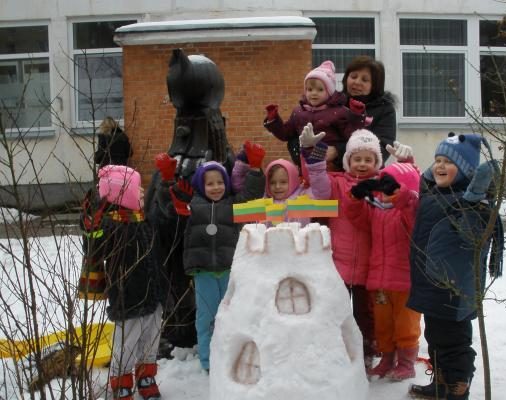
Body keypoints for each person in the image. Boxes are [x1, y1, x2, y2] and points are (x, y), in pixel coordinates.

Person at [407, 133, 504, 400]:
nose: (439, 166)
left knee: (454, 342)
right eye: (437, 160)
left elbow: (477, 228)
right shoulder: (437, 194)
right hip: (430, 284)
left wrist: (476, 197)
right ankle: (440, 382)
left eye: (448, 162)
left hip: (453, 290)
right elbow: (426, 183)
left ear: (466, 171)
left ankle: (458, 386)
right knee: (436, 337)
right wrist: (429, 169)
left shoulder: (473, 204)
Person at [169, 142, 266, 373]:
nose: (216, 187)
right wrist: (167, 182)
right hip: (203, 272)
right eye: (209, 183)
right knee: (206, 318)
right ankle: (208, 359)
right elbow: (173, 205)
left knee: (233, 316)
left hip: (230, 271)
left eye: (220, 182)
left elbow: (252, 195)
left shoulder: (232, 206)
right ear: (201, 186)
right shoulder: (193, 206)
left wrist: (255, 169)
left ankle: (231, 355)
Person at [300, 126, 382, 369]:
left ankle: (367, 351)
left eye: (368, 159)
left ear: (376, 162)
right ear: (348, 161)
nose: (362, 163)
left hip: (369, 264)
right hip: (340, 263)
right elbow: (320, 187)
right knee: (337, 310)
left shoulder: (381, 185)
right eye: (357, 158)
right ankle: (337, 349)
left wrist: (407, 162)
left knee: (365, 315)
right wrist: (310, 153)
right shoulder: (337, 183)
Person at [79, 165, 163, 400]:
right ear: (123, 195)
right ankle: (121, 383)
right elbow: (93, 247)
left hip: (154, 295)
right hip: (128, 299)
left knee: (151, 339)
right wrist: (90, 229)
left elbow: (166, 231)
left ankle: (146, 376)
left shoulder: (144, 220)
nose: (144, 193)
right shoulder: (111, 227)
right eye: (139, 190)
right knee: (125, 345)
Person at [346, 159, 422, 381]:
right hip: (379, 280)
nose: (386, 192)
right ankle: (387, 359)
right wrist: (356, 197)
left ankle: (406, 362)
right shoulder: (377, 210)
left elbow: (413, 216)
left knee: (406, 324)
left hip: (405, 281)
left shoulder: (409, 211)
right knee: (383, 324)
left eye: (392, 185)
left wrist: (401, 196)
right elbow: (357, 218)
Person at [264, 60, 370, 172]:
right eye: (310, 89)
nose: (314, 93)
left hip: (332, 165)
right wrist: (274, 120)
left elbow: (351, 135)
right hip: (306, 164)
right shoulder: (298, 112)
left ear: (329, 92)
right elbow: (286, 134)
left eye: (320, 90)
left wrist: (357, 115)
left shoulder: (339, 112)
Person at [339, 55, 397, 165]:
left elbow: (383, 148)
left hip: (367, 173)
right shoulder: (335, 103)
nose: (357, 82)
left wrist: (338, 151)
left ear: (375, 86)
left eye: (365, 80)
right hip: (331, 172)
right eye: (353, 76)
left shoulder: (385, 109)